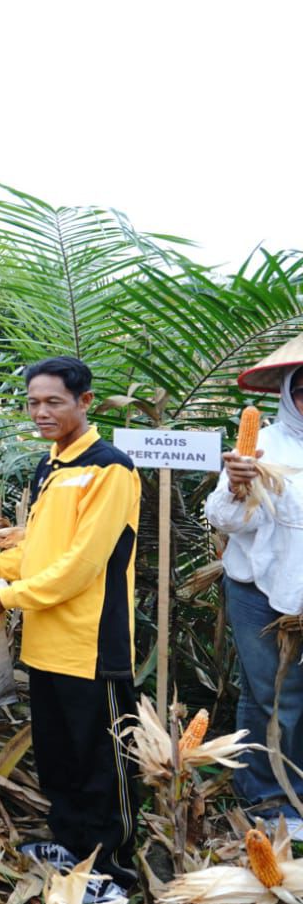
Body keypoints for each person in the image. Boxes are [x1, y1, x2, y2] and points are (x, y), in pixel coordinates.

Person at [0, 357, 139, 901]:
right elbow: (37, 553)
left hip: (93, 645)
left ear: (85, 402)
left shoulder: (108, 469)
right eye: (33, 402)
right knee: (59, 757)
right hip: (47, 644)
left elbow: (79, 566)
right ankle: (73, 849)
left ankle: (114, 874)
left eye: (54, 401)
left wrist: (4, 598)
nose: (41, 411)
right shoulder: (51, 467)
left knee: (103, 764)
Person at [206, 333, 303, 830]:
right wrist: (240, 486)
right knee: (272, 695)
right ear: (288, 394)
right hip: (259, 590)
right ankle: (267, 796)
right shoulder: (262, 445)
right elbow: (223, 519)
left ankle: (293, 786)